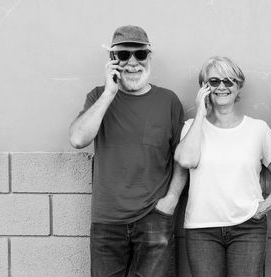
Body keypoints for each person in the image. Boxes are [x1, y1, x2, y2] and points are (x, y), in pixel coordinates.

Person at [69, 25, 187, 277]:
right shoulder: (98, 97)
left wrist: (171, 201)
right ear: (112, 60)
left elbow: (181, 159)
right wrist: (110, 92)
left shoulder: (169, 101)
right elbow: (78, 139)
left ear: (149, 56)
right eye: (123, 55)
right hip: (107, 220)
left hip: (155, 217)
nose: (132, 63)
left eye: (140, 54)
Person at [174, 56, 271, 277]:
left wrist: (266, 205)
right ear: (204, 87)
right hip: (202, 229)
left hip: (248, 228)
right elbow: (186, 160)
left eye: (229, 81)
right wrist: (200, 113)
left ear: (238, 87)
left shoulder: (257, 129)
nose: (222, 87)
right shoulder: (191, 127)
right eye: (214, 81)